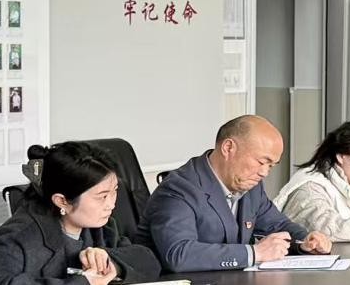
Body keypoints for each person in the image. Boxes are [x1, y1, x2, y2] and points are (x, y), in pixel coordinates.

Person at [0, 142, 160, 285]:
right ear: (62, 201)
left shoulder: (99, 225)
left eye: (114, 191)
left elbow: (149, 261)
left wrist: (112, 263)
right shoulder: (20, 235)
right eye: (102, 196)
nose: (111, 204)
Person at [141, 115, 332, 271]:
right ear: (228, 148)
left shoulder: (250, 185)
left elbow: (277, 225)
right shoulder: (179, 188)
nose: (264, 173)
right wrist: (255, 253)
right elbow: (179, 254)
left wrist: (307, 241)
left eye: (271, 165)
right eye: (261, 162)